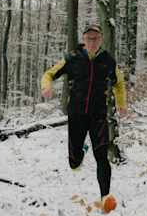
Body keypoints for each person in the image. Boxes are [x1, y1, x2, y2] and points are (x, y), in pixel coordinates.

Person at [41, 23, 128, 202]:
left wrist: (122, 104)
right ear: (84, 39)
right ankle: (80, 152)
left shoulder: (108, 61)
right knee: (74, 162)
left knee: (102, 156)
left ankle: (105, 198)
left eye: (95, 38)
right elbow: (48, 74)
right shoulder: (72, 58)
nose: (92, 41)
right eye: (89, 38)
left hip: (98, 115)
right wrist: (47, 86)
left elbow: (119, 83)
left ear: (101, 39)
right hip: (77, 114)